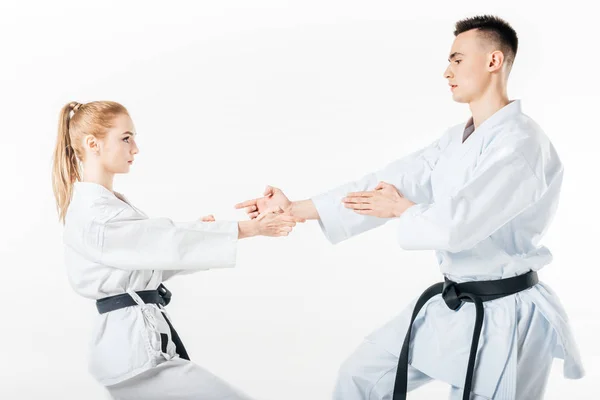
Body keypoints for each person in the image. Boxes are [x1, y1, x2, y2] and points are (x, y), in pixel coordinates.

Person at [235, 15, 584, 400]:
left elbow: (458, 226)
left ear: (493, 62)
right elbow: (392, 181)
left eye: (456, 59)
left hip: (506, 314)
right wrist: (298, 209)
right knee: (361, 376)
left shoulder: (521, 145)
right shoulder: (458, 139)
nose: (446, 71)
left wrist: (402, 210)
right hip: (455, 303)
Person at [51, 100, 305, 399]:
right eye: (126, 138)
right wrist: (248, 229)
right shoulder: (96, 212)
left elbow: (153, 256)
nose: (135, 148)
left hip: (133, 349)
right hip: (134, 352)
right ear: (93, 144)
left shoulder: (105, 206)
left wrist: (205, 234)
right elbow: (165, 242)